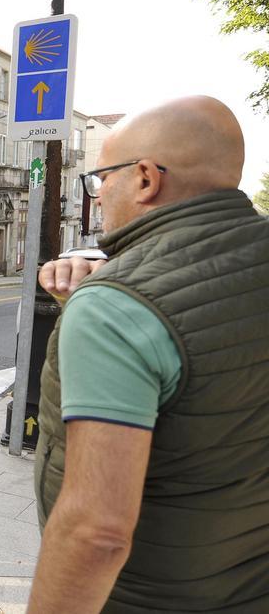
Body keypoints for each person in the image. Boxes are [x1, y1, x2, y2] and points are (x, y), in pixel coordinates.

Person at [28, 96, 269, 612]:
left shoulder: (119, 306)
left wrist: (107, 304)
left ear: (144, 179)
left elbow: (96, 531)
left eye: (101, 179)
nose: (98, 195)